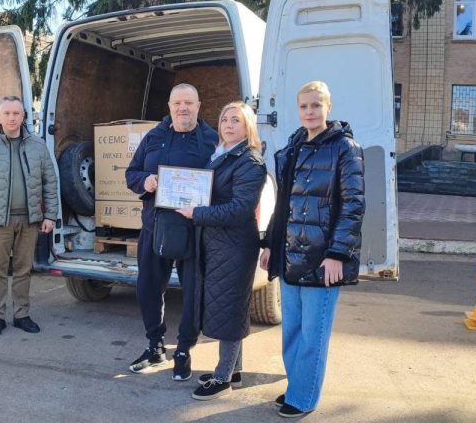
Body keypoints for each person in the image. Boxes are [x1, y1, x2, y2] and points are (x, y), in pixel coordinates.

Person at [259, 81, 365, 418]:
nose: (310, 112)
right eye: (304, 106)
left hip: (322, 259)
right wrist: (270, 245)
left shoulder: (346, 148)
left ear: (328, 108)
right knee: (291, 331)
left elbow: (353, 206)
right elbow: (284, 203)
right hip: (290, 254)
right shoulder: (294, 146)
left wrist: (337, 254)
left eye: (316, 105)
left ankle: (304, 398)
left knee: (312, 335)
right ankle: (296, 387)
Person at [125, 83, 218, 380]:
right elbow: (131, 173)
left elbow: (225, 182)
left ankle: (184, 350)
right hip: (156, 226)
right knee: (149, 288)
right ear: (169, 106)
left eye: (189, 103)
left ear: (198, 106)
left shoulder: (212, 140)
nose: (183, 108)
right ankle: (155, 346)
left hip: (195, 230)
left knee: (193, 293)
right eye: (177, 103)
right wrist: (146, 182)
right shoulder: (153, 137)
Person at [176, 101, 266, 400]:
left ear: (248, 128)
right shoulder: (224, 155)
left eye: (236, 120)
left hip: (235, 246)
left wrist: (197, 213)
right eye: (225, 119)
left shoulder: (249, 162)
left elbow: (240, 210)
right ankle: (234, 370)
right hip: (219, 244)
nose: (228, 124)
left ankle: (223, 377)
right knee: (229, 307)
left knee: (229, 310)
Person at [0, 96, 58, 337]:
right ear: (0, 116)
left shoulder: (38, 146)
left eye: (16, 113)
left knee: (23, 269)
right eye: (7, 113)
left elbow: (50, 182)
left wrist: (50, 215)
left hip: (30, 220)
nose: (11, 118)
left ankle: (21, 315)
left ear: (23, 117)